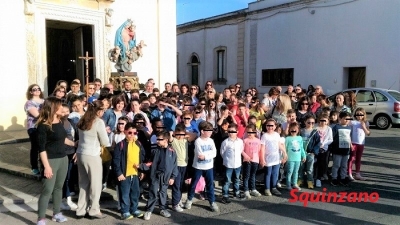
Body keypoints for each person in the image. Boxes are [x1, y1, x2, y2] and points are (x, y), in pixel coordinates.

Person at [36, 97, 76, 225]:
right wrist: (46, 166)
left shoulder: (59, 121)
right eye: (59, 106)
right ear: (53, 107)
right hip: (50, 160)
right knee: (47, 190)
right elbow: (41, 149)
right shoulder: (43, 125)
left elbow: (62, 139)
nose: (62, 108)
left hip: (63, 158)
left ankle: (56, 213)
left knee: (59, 188)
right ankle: (41, 218)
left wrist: (74, 144)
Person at [76, 101, 110, 219]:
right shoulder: (98, 122)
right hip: (92, 154)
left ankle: (81, 210)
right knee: (95, 184)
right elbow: (105, 142)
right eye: (103, 111)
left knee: (83, 183)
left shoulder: (82, 120)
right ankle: (94, 209)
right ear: (99, 111)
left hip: (80, 152)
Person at [113, 122, 147, 220]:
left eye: (134, 133)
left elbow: (142, 158)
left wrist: (141, 170)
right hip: (124, 174)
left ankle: (134, 209)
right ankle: (125, 211)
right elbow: (116, 160)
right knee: (124, 193)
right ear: (125, 132)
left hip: (135, 174)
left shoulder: (138, 144)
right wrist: (119, 173)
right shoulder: (121, 145)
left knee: (135, 193)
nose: (132, 135)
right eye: (130, 133)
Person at [184, 121, 219, 212]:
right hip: (198, 167)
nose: (211, 132)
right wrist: (208, 154)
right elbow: (200, 155)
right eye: (209, 130)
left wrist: (206, 156)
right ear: (202, 131)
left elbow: (214, 153)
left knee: (210, 185)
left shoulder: (211, 141)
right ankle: (189, 199)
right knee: (193, 184)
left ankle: (212, 202)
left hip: (209, 167)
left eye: (211, 130)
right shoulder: (198, 141)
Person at [144, 131, 178, 221]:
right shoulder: (154, 150)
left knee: (163, 192)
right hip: (155, 174)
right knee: (153, 192)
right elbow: (149, 162)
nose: (158, 141)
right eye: (157, 139)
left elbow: (175, 165)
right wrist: (142, 167)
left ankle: (163, 209)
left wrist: (173, 177)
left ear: (166, 140)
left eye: (160, 139)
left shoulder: (172, 151)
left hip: (166, 176)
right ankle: (149, 210)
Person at [169, 124, 197, 212]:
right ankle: (175, 204)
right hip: (176, 166)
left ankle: (179, 200)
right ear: (175, 134)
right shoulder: (174, 140)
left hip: (184, 165)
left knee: (181, 184)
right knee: (176, 185)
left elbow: (195, 135)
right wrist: (173, 134)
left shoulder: (185, 140)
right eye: (178, 134)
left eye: (182, 135)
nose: (180, 136)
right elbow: (170, 137)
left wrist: (184, 133)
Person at [260, 119, 287, 196]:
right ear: (266, 126)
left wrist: (285, 153)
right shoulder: (264, 136)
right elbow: (262, 148)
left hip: (276, 158)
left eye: (272, 125)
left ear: (275, 126)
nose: (270, 127)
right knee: (268, 173)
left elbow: (279, 145)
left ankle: (274, 188)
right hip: (268, 158)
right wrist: (262, 159)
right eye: (268, 125)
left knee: (275, 173)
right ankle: (267, 188)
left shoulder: (277, 135)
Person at [220, 123, 245, 204]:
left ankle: (236, 192)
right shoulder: (225, 142)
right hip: (228, 164)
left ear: (237, 132)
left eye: (233, 131)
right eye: (229, 131)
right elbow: (222, 152)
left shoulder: (240, 141)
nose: (231, 133)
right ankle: (225, 195)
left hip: (237, 164)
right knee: (227, 180)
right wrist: (227, 160)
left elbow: (241, 150)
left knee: (237, 179)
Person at [60, 104, 78, 211]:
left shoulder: (72, 122)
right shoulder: (57, 123)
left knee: (69, 175)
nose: (65, 113)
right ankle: (65, 199)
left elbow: (77, 136)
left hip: (72, 152)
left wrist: (76, 151)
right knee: (64, 177)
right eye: (63, 111)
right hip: (62, 152)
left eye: (67, 111)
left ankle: (67, 198)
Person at [24, 84, 45, 175]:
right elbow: (37, 115)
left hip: (44, 126)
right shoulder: (29, 103)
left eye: (38, 89)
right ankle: (34, 166)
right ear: (31, 92)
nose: (37, 90)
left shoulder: (45, 101)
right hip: (34, 127)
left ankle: (44, 165)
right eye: (34, 89)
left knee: (43, 146)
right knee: (35, 147)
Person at [330, 111, 353, 187]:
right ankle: (334, 178)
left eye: (348, 119)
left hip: (346, 150)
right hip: (337, 150)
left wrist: (351, 145)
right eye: (345, 119)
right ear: (340, 118)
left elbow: (349, 137)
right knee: (336, 165)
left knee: (344, 165)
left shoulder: (349, 128)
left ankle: (343, 177)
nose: (347, 120)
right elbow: (332, 138)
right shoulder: (336, 127)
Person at [298, 115, 320, 189]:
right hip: (302, 153)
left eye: (313, 123)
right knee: (301, 167)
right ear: (305, 122)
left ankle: (310, 181)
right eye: (309, 122)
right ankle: (300, 179)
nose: (311, 124)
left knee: (310, 168)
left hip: (310, 153)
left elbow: (317, 143)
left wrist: (314, 152)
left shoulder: (315, 132)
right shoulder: (301, 131)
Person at [348, 107, 370, 181]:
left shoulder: (366, 122)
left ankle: (357, 173)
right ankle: (349, 173)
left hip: (361, 143)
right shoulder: (353, 122)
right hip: (354, 143)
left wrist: (364, 127)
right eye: (358, 114)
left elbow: (368, 133)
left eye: (361, 114)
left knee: (358, 159)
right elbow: (349, 132)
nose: (359, 116)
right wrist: (350, 142)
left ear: (364, 115)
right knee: (351, 158)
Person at [242, 124, 262, 199]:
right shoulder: (245, 140)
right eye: (248, 132)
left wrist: (260, 159)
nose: (249, 134)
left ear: (255, 132)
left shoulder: (258, 141)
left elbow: (259, 150)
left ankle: (253, 189)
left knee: (253, 175)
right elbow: (242, 150)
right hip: (247, 160)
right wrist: (246, 156)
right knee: (246, 176)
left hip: (255, 160)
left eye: (251, 132)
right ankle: (246, 190)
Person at [285, 122, 306, 190]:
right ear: (289, 130)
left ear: (298, 130)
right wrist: (284, 157)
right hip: (290, 159)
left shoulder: (299, 138)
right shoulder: (287, 138)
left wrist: (304, 155)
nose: (293, 131)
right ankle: (288, 184)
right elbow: (285, 148)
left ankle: (294, 183)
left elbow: (302, 148)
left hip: (298, 158)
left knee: (296, 171)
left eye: (295, 129)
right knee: (290, 171)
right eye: (292, 129)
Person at [315, 113, 333, 187]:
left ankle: (318, 178)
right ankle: (313, 177)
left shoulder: (329, 129)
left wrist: (324, 144)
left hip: (324, 149)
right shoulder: (316, 128)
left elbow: (330, 139)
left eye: (325, 121)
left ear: (327, 121)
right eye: (321, 120)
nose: (323, 122)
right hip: (315, 148)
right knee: (314, 163)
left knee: (321, 163)